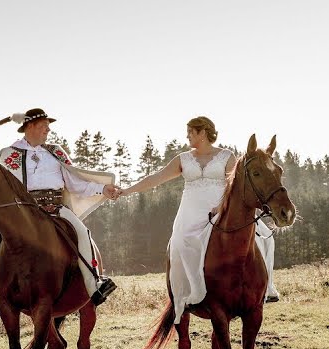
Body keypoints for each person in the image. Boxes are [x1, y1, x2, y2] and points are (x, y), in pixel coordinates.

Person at [119, 116, 279, 319]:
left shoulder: (226, 156)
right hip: (190, 211)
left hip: (221, 209)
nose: (187, 136)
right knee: (178, 245)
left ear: (202, 133)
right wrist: (126, 191)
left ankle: (268, 288)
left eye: (190, 132)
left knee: (264, 237)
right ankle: (186, 294)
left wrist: (222, 205)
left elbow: (236, 186)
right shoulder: (183, 159)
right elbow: (156, 178)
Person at [0, 108, 120, 317]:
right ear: (31, 126)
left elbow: (75, 182)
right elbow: (1, 188)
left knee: (83, 234)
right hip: (23, 215)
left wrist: (102, 189)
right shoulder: (8, 155)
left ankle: (95, 283)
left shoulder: (56, 152)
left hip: (56, 210)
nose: (48, 130)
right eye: (44, 125)